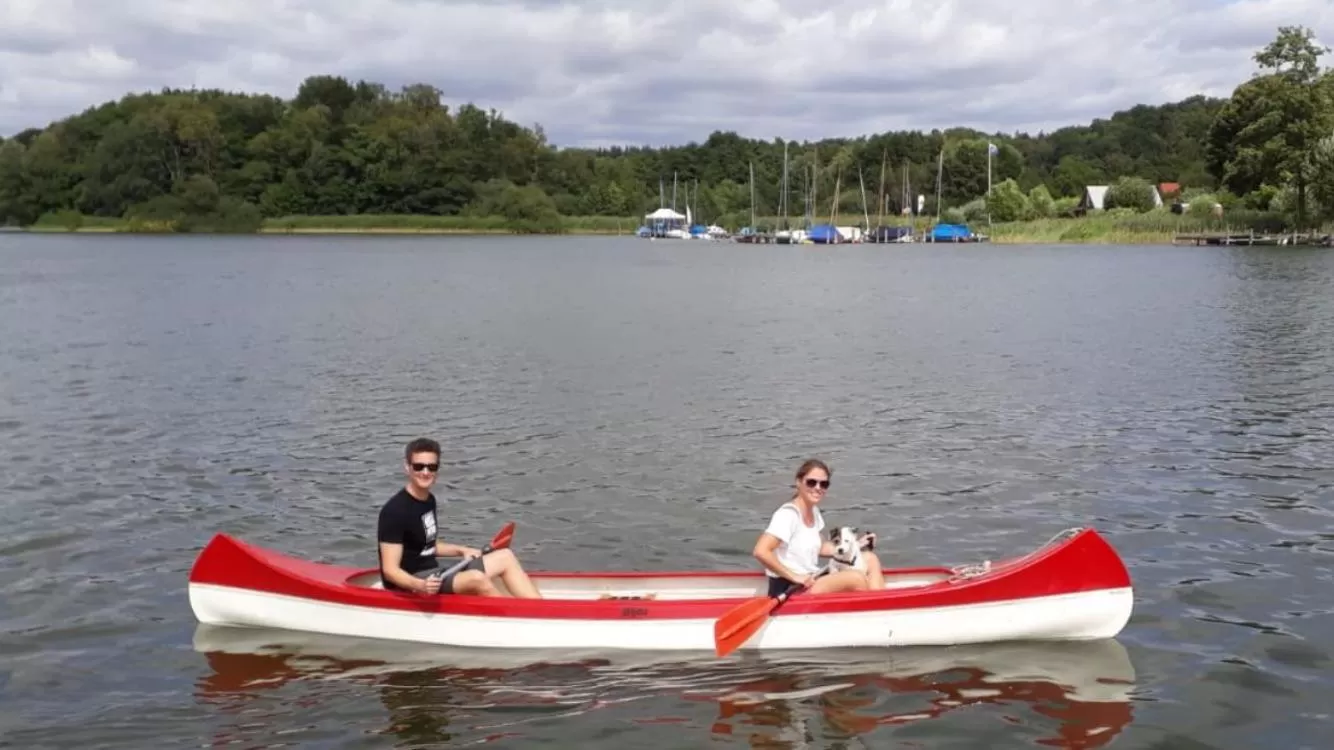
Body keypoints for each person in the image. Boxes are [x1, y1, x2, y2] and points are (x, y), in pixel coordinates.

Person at [377, 437, 542, 598]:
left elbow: (427, 545)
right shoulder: (394, 511)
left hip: (434, 571)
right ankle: (513, 619)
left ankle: (541, 611)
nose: (425, 472)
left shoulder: (428, 500)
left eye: (431, 467)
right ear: (407, 467)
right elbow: (390, 571)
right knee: (476, 578)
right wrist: (420, 585)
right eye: (419, 466)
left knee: (505, 556)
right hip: (412, 582)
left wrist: (461, 550)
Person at [752, 458, 885, 597]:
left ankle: (880, 603)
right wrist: (795, 577)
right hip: (790, 587)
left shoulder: (813, 512)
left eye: (824, 484)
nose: (818, 488)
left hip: (811, 578)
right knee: (856, 578)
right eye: (811, 482)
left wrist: (856, 544)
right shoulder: (788, 515)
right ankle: (872, 607)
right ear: (798, 482)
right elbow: (761, 551)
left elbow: (821, 547)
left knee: (870, 558)